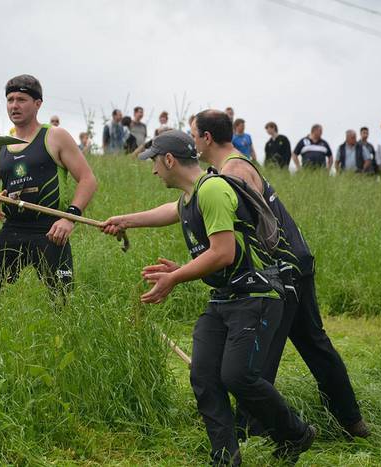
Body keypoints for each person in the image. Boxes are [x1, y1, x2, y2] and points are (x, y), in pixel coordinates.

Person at [103, 127, 315, 466]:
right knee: (203, 375)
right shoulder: (192, 196)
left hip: (255, 295)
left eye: (155, 162)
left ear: (170, 159)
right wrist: (124, 221)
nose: (154, 170)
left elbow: (222, 254)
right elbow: (168, 212)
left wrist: (175, 276)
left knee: (237, 377)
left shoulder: (213, 189)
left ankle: (296, 434)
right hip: (225, 297)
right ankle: (225, 457)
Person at [182, 110, 368, 441]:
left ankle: (256, 431)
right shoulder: (230, 168)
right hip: (293, 260)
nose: (192, 139)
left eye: (193, 133)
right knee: (313, 343)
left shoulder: (235, 170)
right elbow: (184, 207)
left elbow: (238, 227)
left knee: (262, 351)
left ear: (206, 137)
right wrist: (127, 220)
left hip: (283, 268)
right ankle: (351, 420)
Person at [0, 74, 97, 307]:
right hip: (13, 229)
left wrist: (69, 218)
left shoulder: (55, 136)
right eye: (10, 100)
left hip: (50, 230)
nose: (14, 105)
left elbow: (88, 180)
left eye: (21, 99)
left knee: (62, 303)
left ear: (38, 104)